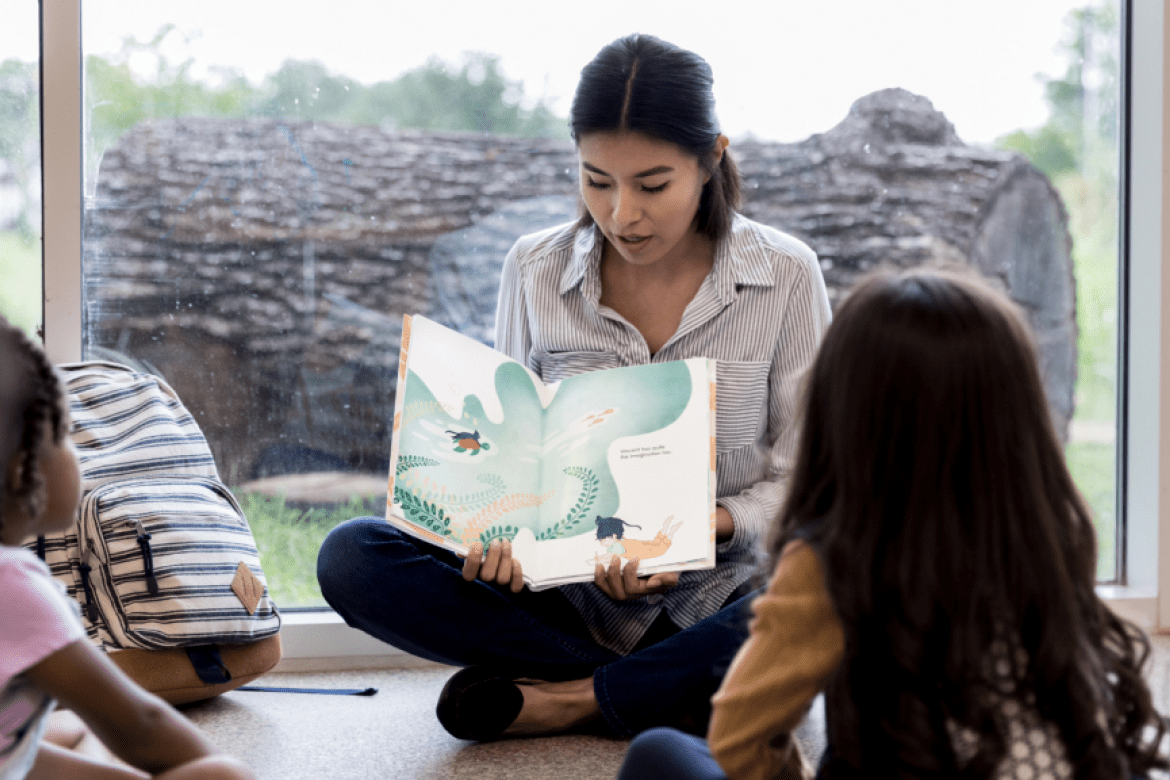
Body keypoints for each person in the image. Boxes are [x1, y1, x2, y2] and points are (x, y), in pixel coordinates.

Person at [316, 33, 831, 741]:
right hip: (565, 600)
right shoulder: (534, 268)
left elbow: (809, 488)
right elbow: (510, 453)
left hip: (722, 596)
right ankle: (666, 693)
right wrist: (489, 533)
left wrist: (680, 531)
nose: (623, 214)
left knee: (841, 572)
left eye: (652, 185)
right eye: (597, 180)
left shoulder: (787, 276)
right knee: (351, 556)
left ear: (712, 158)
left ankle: (573, 699)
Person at [616, 268, 1170, 779]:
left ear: (845, 417)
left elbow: (740, 739)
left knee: (659, 752)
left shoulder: (835, 558)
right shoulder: (1047, 533)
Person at [0, 316, 255, 780]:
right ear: (24, 476)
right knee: (224, 776)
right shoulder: (12, 586)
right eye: (66, 437)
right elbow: (141, 725)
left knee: (63, 728)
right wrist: (206, 764)